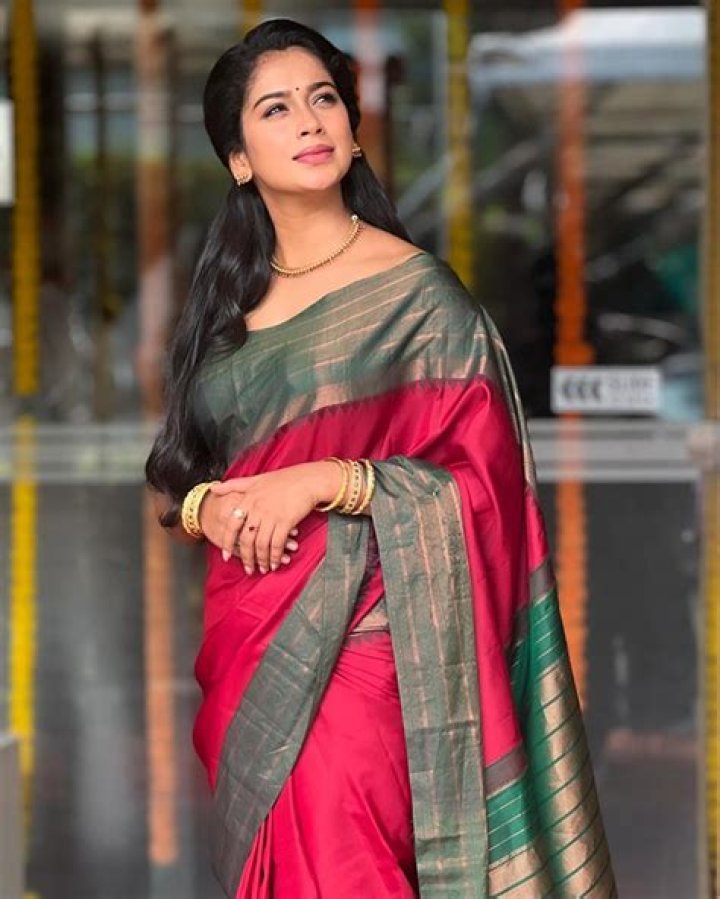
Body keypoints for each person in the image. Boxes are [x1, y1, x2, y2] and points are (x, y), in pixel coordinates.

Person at [145, 18, 616, 899]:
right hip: (252, 645)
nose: (309, 120)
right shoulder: (226, 309)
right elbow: (179, 488)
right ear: (238, 158)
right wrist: (217, 507)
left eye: (323, 98)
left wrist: (327, 480)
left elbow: (487, 488)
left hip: (368, 653)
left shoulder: (418, 297)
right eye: (276, 109)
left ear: (354, 130)